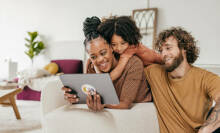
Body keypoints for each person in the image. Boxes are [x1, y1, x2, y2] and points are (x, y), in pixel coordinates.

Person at [62, 16, 150, 111]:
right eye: (93, 57)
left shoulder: (133, 63)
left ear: (111, 48)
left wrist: (103, 104)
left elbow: (124, 104)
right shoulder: (91, 66)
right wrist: (75, 98)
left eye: (103, 53)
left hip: (141, 107)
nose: (99, 60)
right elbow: (90, 95)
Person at [144, 27, 220, 133]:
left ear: (184, 48)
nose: (163, 54)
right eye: (161, 51)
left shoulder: (205, 78)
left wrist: (205, 129)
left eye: (168, 48)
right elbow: (136, 51)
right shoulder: (154, 73)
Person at [86, 16, 162, 81]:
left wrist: (96, 68)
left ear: (129, 39)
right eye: (113, 44)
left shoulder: (130, 49)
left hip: (158, 64)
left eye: (123, 43)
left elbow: (110, 78)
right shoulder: (120, 49)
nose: (119, 48)